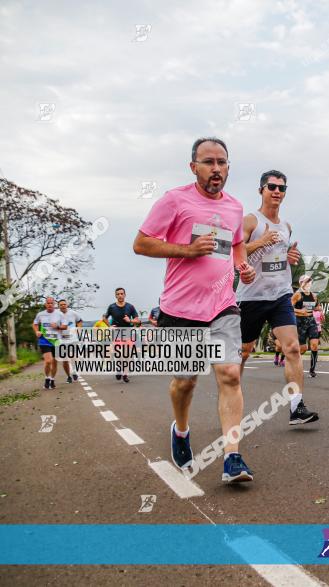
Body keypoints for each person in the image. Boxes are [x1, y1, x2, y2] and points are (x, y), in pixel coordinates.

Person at [133, 136, 258, 484]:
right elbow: (141, 243)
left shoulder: (235, 207)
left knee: (230, 375)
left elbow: (236, 247)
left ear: (228, 167)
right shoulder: (174, 201)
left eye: (222, 162)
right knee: (185, 382)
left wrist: (242, 267)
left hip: (223, 305)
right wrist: (187, 250)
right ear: (194, 167)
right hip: (180, 307)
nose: (216, 168)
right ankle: (182, 429)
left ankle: (233, 458)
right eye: (208, 162)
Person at [237, 170, 318, 426]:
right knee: (243, 352)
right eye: (272, 186)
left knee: (293, 348)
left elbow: (279, 261)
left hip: (280, 296)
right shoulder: (250, 221)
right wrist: (259, 242)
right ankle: (231, 401)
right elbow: (234, 253)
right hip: (251, 298)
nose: (277, 192)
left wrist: (290, 259)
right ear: (261, 190)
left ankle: (296, 408)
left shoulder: (286, 227)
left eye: (282, 188)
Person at [103, 287, 140, 383]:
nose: (120, 295)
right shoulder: (112, 307)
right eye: (118, 294)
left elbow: (137, 321)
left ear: (125, 295)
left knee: (127, 355)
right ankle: (119, 369)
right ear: (115, 295)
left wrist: (130, 320)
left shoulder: (130, 307)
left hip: (128, 334)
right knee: (119, 354)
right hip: (117, 334)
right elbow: (104, 317)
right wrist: (109, 326)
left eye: (121, 293)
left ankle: (125, 374)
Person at [292, 275, 322, 378]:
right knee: (303, 349)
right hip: (300, 322)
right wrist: (300, 311)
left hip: (311, 321)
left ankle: (312, 370)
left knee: (314, 345)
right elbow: (288, 308)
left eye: (309, 282)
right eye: (306, 282)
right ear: (301, 283)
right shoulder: (297, 295)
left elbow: (317, 306)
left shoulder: (314, 296)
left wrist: (319, 309)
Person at [32, 296, 62, 389]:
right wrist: (37, 331)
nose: (49, 305)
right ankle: (47, 378)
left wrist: (57, 326)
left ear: (54, 304)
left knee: (55, 362)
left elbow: (65, 326)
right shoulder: (40, 314)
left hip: (56, 340)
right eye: (48, 303)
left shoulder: (59, 314)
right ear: (45, 304)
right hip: (44, 340)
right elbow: (35, 324)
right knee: (48, 361)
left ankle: (52, 379)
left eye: (51, 303)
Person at [57, 299, 83, 383]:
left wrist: (78, 329)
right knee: (64, 359)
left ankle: (74, 371)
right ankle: (68, 376)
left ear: (67, 305)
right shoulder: (56, 315)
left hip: (73, 339)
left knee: (73, 357)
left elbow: (79, 321)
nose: (63, 306)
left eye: (64, 304)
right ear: (58, 306)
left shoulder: (73, 313)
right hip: (62, 340)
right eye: (61, 305)